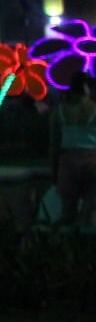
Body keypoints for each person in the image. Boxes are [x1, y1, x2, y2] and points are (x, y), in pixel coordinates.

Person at [50, 72, 96, 227]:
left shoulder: (60, 111)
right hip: (92, 160)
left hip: (68, 161)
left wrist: (54, 170)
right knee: (90, 211)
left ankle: (68, 246)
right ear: (85, 88)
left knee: (68, 212)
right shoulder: (94, 108)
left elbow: (54, 144)